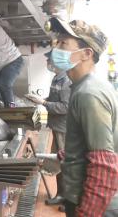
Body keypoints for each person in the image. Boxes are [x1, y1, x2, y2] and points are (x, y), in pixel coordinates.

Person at [49, 17, 118, 217]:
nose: (56, 49)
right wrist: (70, 154)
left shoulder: (88, 94)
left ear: (87, 53)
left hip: (97, 204)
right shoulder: (88, 86)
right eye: (57, 42)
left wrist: (87, 213)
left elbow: (104, 165)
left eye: (63, 43)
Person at [26, 51, 72, 208]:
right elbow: (54, 100)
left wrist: (44, 103)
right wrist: (40, 100)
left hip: (64, 128)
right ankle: (61, 195)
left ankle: (68, 200)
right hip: (56, 126)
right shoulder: (57, 78)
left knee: (66, 164)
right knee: (59, 161)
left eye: (49, 60)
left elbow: (65, 107)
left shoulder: (66, 81)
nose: (48, 63)